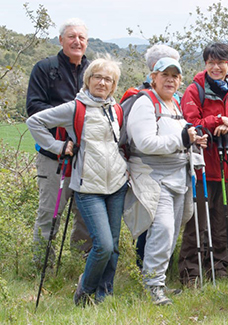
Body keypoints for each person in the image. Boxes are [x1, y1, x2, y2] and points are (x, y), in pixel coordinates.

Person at [27, 56, 128, 306]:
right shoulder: (75, 107)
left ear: (114, 85)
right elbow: (35, 121)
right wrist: (57, 146)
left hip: (116, 184)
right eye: (97, 77)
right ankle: (84, 292)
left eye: (108, 79)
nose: (102, 83)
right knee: (103, 245)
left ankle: (105, 295)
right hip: (87, 186)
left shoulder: (116, 110)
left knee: (114, 247)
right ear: (88, 79)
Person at [122, 57, 208, 305]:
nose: (170, 79)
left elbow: (180, 138)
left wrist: (194, 140)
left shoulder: (175, 104)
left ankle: (156, 281)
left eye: (175, 75)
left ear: (180, 79)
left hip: (179, 176)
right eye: (164, 74)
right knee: (163, 230)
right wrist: (182, 139)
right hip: (153, 177)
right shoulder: (145, 103)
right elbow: (145, 142)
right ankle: (153, 286)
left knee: (171, 233)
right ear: (153, 77)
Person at [180, 43, 228, 284]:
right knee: (197, 223)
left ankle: (219, 270)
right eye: (210, 62)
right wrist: (217, 120)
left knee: (224, 222)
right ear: (205, 64)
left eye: (220, 62)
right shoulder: (195, 90)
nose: (215, 67)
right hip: (201, 168)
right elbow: (192, 124)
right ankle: (190, 273)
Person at [26, 18, 92, 262]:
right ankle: (41, 265)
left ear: (87, 42)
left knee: (85, 215)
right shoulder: (45, 68)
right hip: (53, 156)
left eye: (81, 38)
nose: (77, 41)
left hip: (84, 158)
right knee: (49, 214)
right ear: (61, 40)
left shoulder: (93, 71)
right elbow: (34, 108)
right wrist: (67, 115)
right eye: (72, 36)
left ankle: (79, 266)